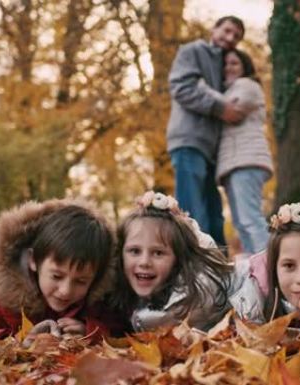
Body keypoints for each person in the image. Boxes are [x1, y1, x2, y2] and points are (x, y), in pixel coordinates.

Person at [0, 200, 116, 346]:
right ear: (33, 261)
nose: (65, 291)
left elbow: (118, 330)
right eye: (57, 276)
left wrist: (90, 331)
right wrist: (16, 342)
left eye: (81, 281)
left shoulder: (98, 301)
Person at [167, 15, 247, 248]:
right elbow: (181, 88)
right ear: (214, 29)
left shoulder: (226, 66)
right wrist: (220, 108)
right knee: (192, 212)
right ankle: (195, 269)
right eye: (227, 31)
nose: (230, 38)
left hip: (213, 150)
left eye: (236, 36)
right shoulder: (192, 51)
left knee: (214, 214)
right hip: (189, 140)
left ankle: (220, 270)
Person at [110, 191, 233, 332]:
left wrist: (187, 227)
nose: (144, 262)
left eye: (158, 253)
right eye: (135, 251)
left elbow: (207, 262)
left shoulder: (195, 296)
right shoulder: (116, 291)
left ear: (178, 258)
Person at [210, 48, 272, 255]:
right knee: (240, 222)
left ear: (245, 66)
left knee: (250, 218)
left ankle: (269, 266)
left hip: (248, 160)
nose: (228, 68)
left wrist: (200, 91)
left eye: (234, 63)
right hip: (233, 164)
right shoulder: (229, 89)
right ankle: (255, 266)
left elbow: (231, 111)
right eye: (225, 64)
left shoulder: (247, 85)